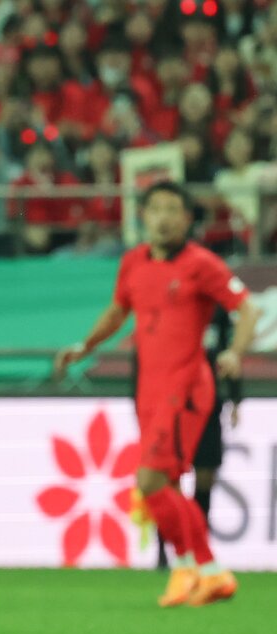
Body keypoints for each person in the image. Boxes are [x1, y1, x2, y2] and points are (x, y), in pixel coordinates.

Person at [56, 181, 258, 607]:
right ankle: (200, 571)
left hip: (185, 388)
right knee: (163, 484)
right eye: (155, 209)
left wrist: (235, 353)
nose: (163, 217)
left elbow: (248, 308)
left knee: (150, 480)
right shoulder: (132, 263)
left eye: (172, 209)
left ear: (187, 219)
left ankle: (200, 568)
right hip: (148, 389)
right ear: (142, 216)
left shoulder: (202, 264)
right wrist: (85, 346)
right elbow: (117, 311)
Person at [139, 306, 243, 571]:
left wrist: (235, 398)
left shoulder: (218, 311)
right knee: (164, 480)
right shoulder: (165, 307)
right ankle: (166, 551)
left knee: (205, 475)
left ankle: (200, 552)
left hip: (207, 403)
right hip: (169, 404)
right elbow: (142, 357)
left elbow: (228, 353)